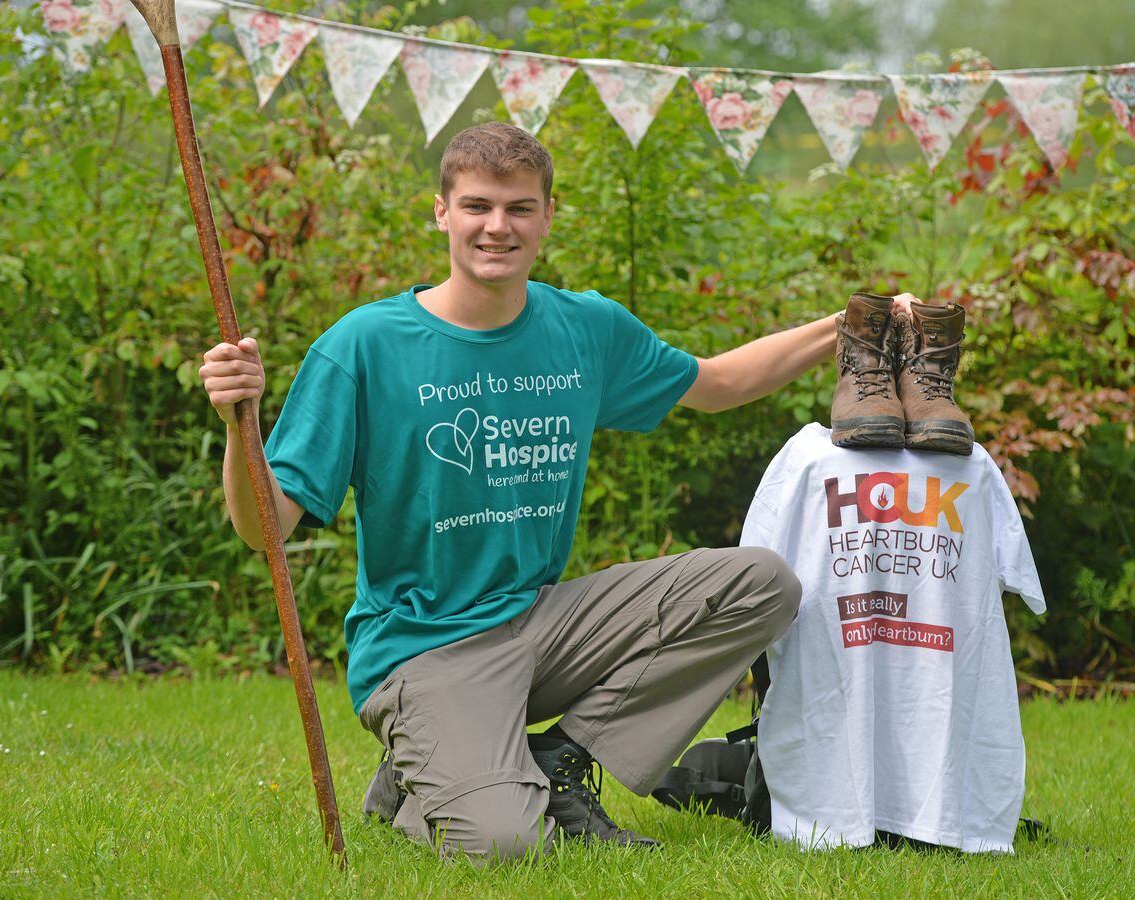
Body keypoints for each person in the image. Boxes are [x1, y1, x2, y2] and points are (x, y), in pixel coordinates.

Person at [199, 122, 916, 864]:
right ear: (441, 211)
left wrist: (852, 327)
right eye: (477, 206)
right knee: (507, 845)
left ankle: (559, 762)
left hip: (542, 621)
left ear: (547, 214)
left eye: (518, 208)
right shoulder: (362, 347)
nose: (497, 227)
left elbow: (718, 383)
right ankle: (419, 782)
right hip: (426, 650)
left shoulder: (582, 328)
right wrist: (237, 427)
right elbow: (265, 529)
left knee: (760, 583)